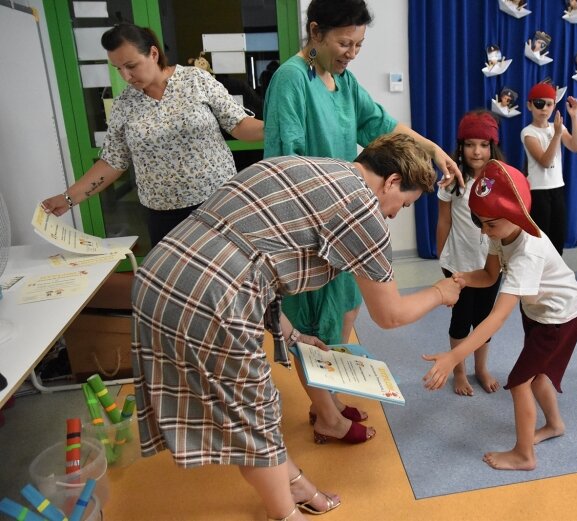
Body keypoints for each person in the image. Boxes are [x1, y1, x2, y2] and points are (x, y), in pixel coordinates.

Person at [131, 134, 462, 520]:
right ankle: (284, 515)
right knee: (255, 412)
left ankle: (296, 484)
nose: (395, 213)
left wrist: (298, 337)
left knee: (246, 406)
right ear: (390, 182)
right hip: (210, 295)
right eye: (403, 204)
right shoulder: (362, 209)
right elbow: (390, 315)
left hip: (160, 273)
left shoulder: (306, 167)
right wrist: (440, 292)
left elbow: (259, 261)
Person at [263, 0, 461, 444]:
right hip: (311, 224)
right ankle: (327, 417)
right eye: (343, 42)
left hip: (348, 219)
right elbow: (284, 161)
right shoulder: (291, 80)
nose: (352, 52)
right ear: (315, 32)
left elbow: (385, 126)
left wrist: (434, 150)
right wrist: (440, 292)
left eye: (359, 44)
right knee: (313, 326)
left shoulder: (343, 81)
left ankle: (328, 397)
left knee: (344, 312)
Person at [423, 160, 577, 471]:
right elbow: (488, 275)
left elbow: (497, 318)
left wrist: (453, 356)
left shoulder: (528, 252)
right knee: (536, 376)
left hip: (560, 317)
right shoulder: (500, 234)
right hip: (541, 313)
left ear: (516, 214)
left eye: (491, 223)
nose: (485, 230)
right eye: (480, 222)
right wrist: (461, 278)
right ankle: (554, 425)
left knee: (520, 381)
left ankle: (525, 455)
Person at [40, 23, 265, 247]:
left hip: (217, 203)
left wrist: (279, 128)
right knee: (173, 278)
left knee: (227, 271)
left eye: (131, 65)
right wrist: (68, 198)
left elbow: (238, 125)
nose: (126, 76)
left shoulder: (196, 80)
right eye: (118, 68)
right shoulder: (124, 105)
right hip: (163, 215)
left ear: (154, 54)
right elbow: (113, 162)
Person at [436, 111, 504, 396]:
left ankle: (481, 368)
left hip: (491, 267)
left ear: (492, 147)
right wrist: (443, 263)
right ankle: (460, 371)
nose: (477, 151)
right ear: (461, 146)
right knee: (461, 321)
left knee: (485, 321)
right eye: (470, 144)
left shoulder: (500, 178)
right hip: (460, 267)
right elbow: (444, 221)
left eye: (483, 144)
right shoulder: (453, 180)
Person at [521, 82, 577, 254]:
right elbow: (545, 161)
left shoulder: (558, 127)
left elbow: (576, 146)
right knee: (541, 236)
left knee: (558, 235)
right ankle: (539, 274)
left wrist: (575, 117)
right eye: (539, 104)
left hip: (557, 187)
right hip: (538, 190)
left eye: (549, 104)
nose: (544, 109)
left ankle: (554, 272)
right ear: (530, 105)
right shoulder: (528, 132)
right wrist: (556, 134)